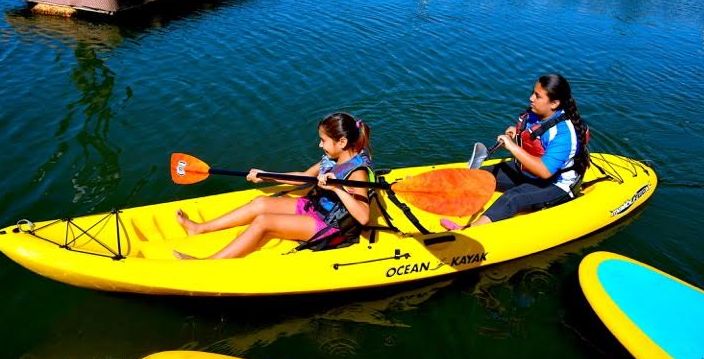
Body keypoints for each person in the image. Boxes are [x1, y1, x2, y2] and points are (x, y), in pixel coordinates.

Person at [175, 112, 373, 259]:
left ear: (342, 142)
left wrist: (337, 188)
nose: (320, 145)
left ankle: (209, 263)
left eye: (323, 140)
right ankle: (200, 229)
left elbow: (363, 217)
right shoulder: (331, 160)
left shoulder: (358, 172)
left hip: (330, 226)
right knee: (260, 203)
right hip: (314, 207)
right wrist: (267, 176)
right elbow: (304, 177)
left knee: (264, 221)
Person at [442, 73, 590, 230]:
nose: (531, 98)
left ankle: (470, 230)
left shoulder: (563, 134)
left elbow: (545, 171)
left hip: (554, 184)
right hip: (527, 172)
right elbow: (534, 135)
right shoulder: (537, 114)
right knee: (480, 177)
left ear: (554, 103)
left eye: (537, 96)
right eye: (533, 92)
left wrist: (512, 146)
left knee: (512, 198)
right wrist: (516, 132)